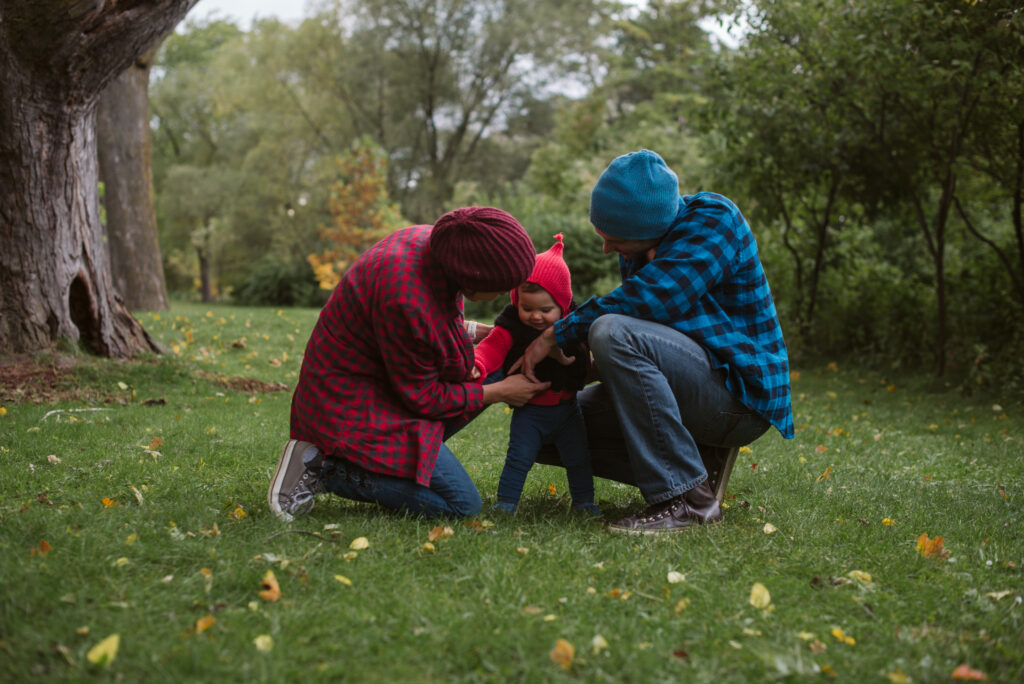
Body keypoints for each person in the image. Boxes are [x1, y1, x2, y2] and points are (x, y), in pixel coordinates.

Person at [518, 149, 795, 534]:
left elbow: (652, 301)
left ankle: (687, 501)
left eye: (614, 240)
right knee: (548, 423)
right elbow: (657, 339)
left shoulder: (715, 220)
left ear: (649, 227)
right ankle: (697, 470)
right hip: (692, 381)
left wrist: (556, 333)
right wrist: (579, 369)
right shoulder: (643, 247)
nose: (606, 249)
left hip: (737, 397)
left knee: (610, 329)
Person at [268, 207, 551, 521]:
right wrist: (498, 393)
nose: (502, 296)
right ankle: (324, 468)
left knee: (498, 361)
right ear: (470, 283)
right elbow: (423, 397)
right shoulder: (405, 299)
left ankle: (399, 461)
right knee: (462, 506)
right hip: (351, 407)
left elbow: (436, 315)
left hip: (385, 378)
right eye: (499, 290)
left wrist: (472, 331)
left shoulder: (432, 242)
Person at [471, 234, 600, 517]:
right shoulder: (512, 324)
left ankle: (585, 503)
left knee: (579, 459)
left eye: (546, 310)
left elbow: (593, 346)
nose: (536, 317)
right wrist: (478, 363)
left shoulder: (575, 322)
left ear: (563, 305)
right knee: (518, 459)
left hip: (568, 409)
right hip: (530, 412)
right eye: (526, 308)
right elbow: (493, 345)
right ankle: (506, 503)